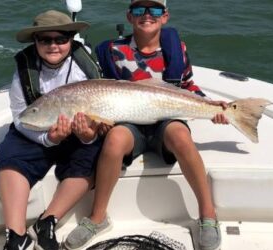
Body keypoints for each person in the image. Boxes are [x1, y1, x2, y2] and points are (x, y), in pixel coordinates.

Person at [65, 1, 228, 250]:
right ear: (130, 17)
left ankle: (207, 214)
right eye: (140, 10)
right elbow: (101, 92)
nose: (147, 16)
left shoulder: (176, 49)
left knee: (181, 137)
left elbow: (187, 86)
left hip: (166, 118)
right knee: (115, 140)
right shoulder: (113, 51)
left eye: (154, 10)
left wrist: (211, 106)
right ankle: (98, 217)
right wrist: (98, 121)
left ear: (165, 17)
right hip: (129, 121)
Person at [0, 10, 102, 250]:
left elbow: (101, 114)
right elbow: (21, 117)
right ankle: (16, 234)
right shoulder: (23, 71)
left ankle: (47, 220)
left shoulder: (85, 69)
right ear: (35, 42)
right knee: (10, 157)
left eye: (61, 39)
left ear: (71, 41)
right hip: (36, 130)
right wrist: (48, 139)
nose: (53, 45)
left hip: (77, 131)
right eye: (45, 40)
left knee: (94, 157)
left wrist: (88, 135)